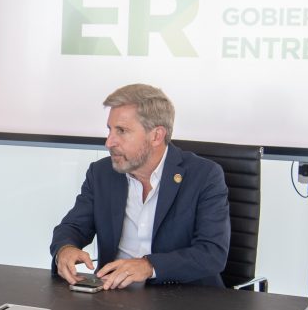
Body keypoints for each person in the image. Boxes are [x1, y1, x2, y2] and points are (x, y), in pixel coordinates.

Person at [50, 84, 230, 289]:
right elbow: (73, 227)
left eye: (122, 131)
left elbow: (212, 253)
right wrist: (65, 249)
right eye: (110, 130)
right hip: (114, 295)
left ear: (156, 136)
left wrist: (149, 266)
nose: (109, 142)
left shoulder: (204, 176)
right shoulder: (101, 173)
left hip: (184, 299)